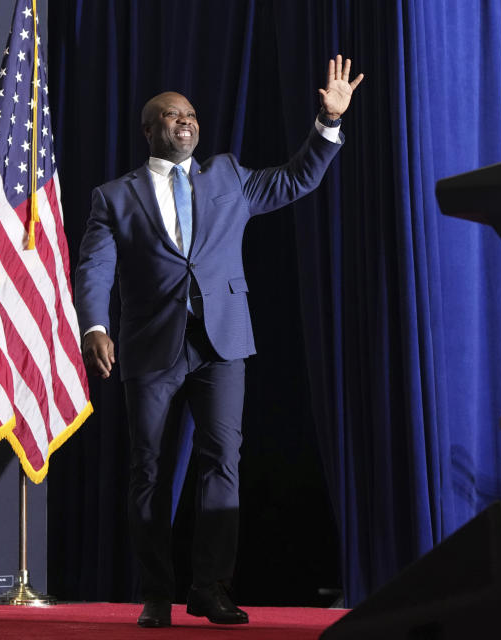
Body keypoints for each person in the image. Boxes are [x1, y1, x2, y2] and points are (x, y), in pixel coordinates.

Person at [74, 55, 363, 627]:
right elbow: (94, 270)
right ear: (150, 129)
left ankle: (210, 588)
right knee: (150, 470)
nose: (186, 121)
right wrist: (95, 326)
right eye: (172, 115)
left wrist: (327, 123)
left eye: (191, 114)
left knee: (222, 462)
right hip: (153, 345)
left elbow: (296, 179)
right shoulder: (114, 197)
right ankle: (157, 592)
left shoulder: (228, 175)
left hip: (222, 343)